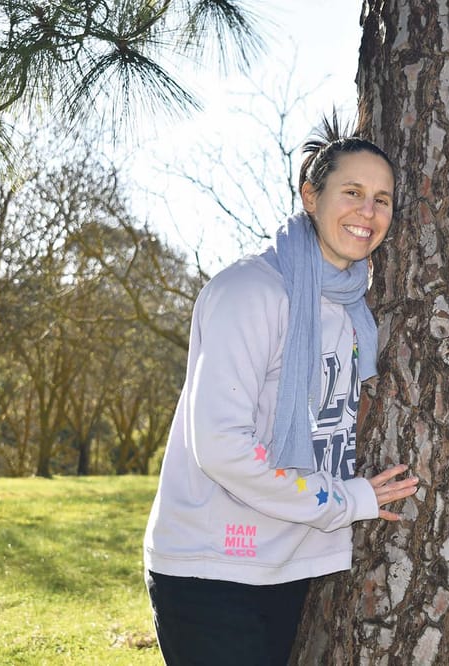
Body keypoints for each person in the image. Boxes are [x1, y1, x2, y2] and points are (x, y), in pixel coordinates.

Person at [143, 116, 419, 665]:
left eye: (382, 199)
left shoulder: (353, 310)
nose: (368, 212)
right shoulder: (249, 291)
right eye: (353, 192)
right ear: (310, 196)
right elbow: (221, 444)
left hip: (292, 564)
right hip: (212, 569)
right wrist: (347, 499)